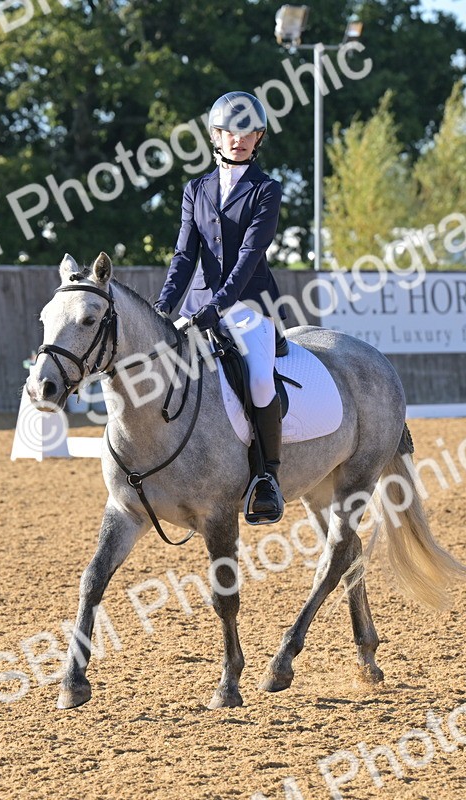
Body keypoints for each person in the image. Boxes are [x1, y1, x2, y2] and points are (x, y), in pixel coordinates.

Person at [153, 91, 286, 524]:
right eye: (231, 131)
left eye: (249, 133)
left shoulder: (266, 189)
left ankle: (267, 478)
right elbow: (183, 256)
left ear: (258, 138)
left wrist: (218, 305)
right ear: (215, 135)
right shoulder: (197, 189)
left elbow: (250, 256)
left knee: (262, 382)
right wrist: (165, 305)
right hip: (197, 305)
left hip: (248, 304)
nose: (239, 139)